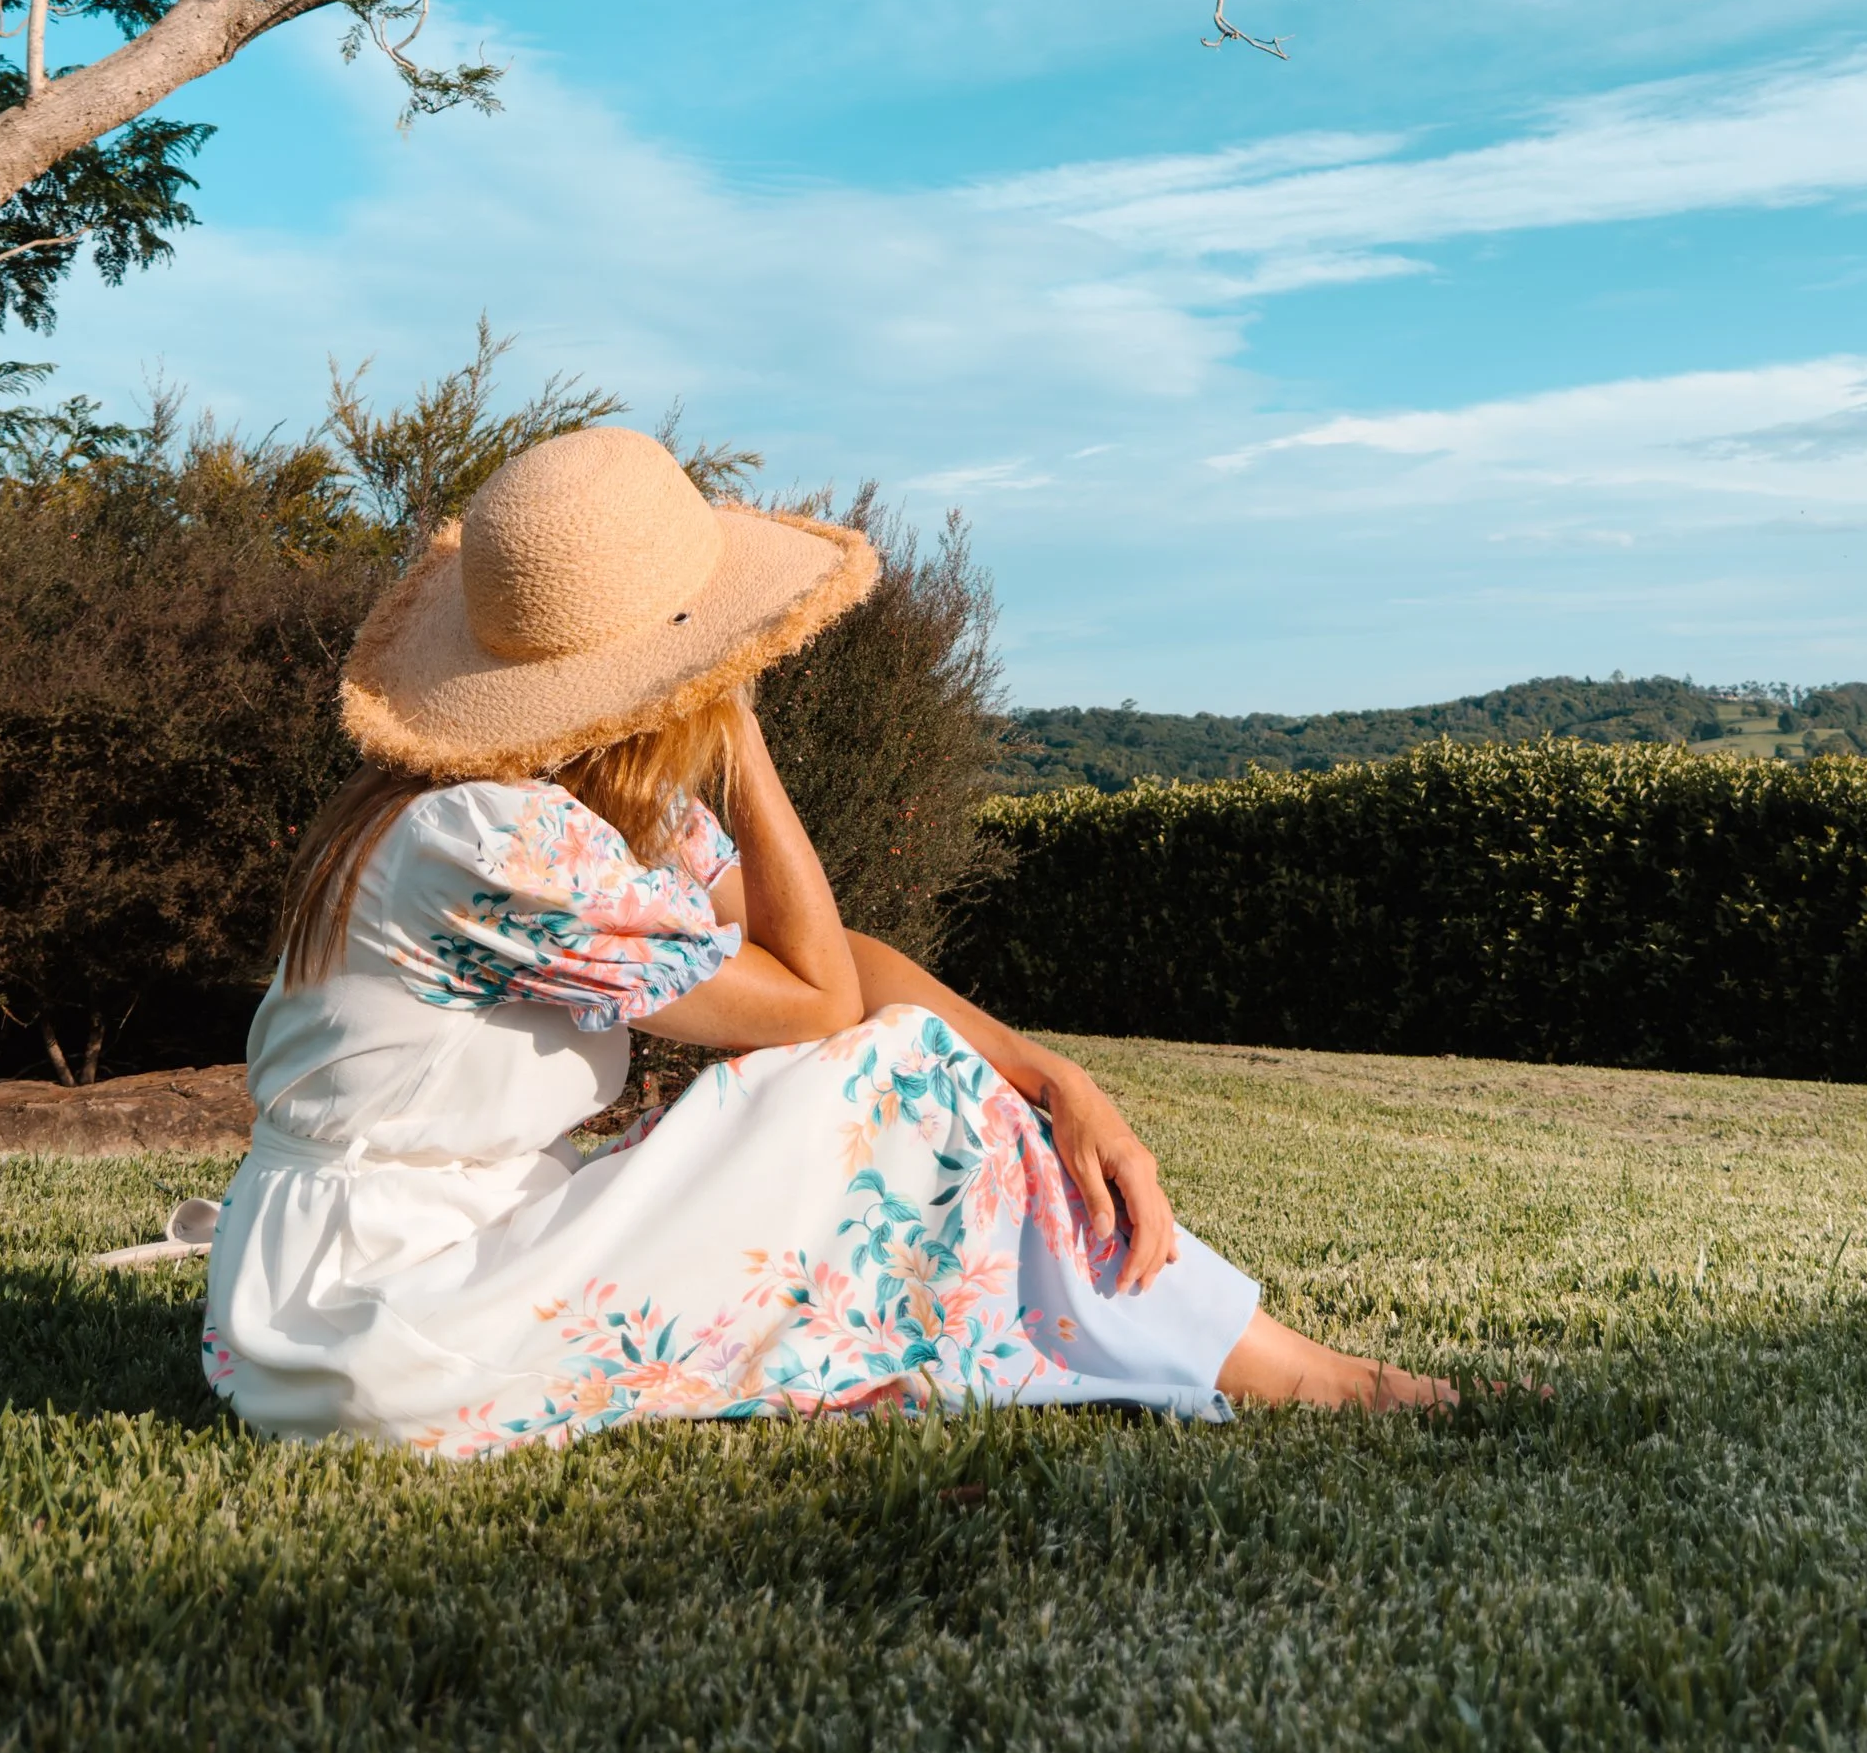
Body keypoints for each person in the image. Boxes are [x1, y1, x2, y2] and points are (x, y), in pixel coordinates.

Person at [202, 426, 1450, 1454]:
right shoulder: (489, 840)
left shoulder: (565, 817)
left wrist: (1053, 1075)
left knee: (901, 1068)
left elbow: (837, 965)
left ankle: (1227, 1343)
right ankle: (1289, 1367)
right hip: (381, 1321)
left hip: (384, 1278)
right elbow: (818, 1008)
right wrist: (736, 727)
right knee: (890, 1080)